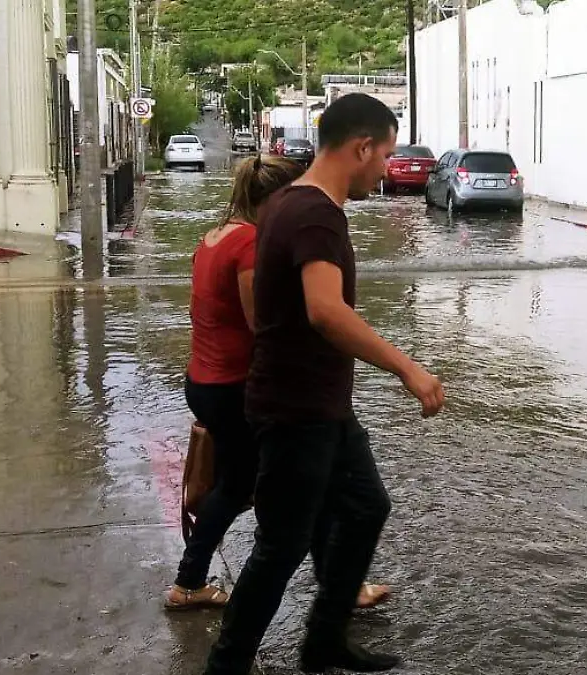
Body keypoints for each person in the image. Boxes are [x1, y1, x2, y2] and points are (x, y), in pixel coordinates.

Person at [203, 94, 445, 675]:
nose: (386, 169)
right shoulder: (315, 214)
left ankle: (324, 638)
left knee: (365, 507)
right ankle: (226, 664)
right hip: (295, 409)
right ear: (361, 147)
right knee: (282, 546)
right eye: (384, 155)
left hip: (318, 404)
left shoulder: (289, 202)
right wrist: (408, 368)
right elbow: (324, 312)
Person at [167, 155, 392, 612]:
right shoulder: (250, 244)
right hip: (235, 388)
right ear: (271, 199)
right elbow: (262, 325)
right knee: (270, 491)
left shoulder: (215, 237)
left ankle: (336, 585)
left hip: (207, 381)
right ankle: (191, 583)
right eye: (290, 197)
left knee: (264, 487)